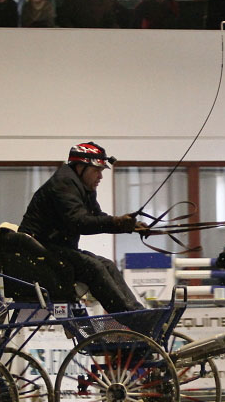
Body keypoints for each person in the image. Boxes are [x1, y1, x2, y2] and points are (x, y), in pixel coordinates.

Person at [17, 142, 156, 331]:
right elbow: (79, 222)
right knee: (93, 267)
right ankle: (135, 320)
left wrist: (131, 227)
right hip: (39, 254)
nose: (100, 176)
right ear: (80, 167)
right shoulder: (64, 182)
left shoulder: (82, 186)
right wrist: (117, 222)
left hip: (54, 251)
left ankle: (137, 314)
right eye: (97, 171)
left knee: (106, 264)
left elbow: (96, 218)